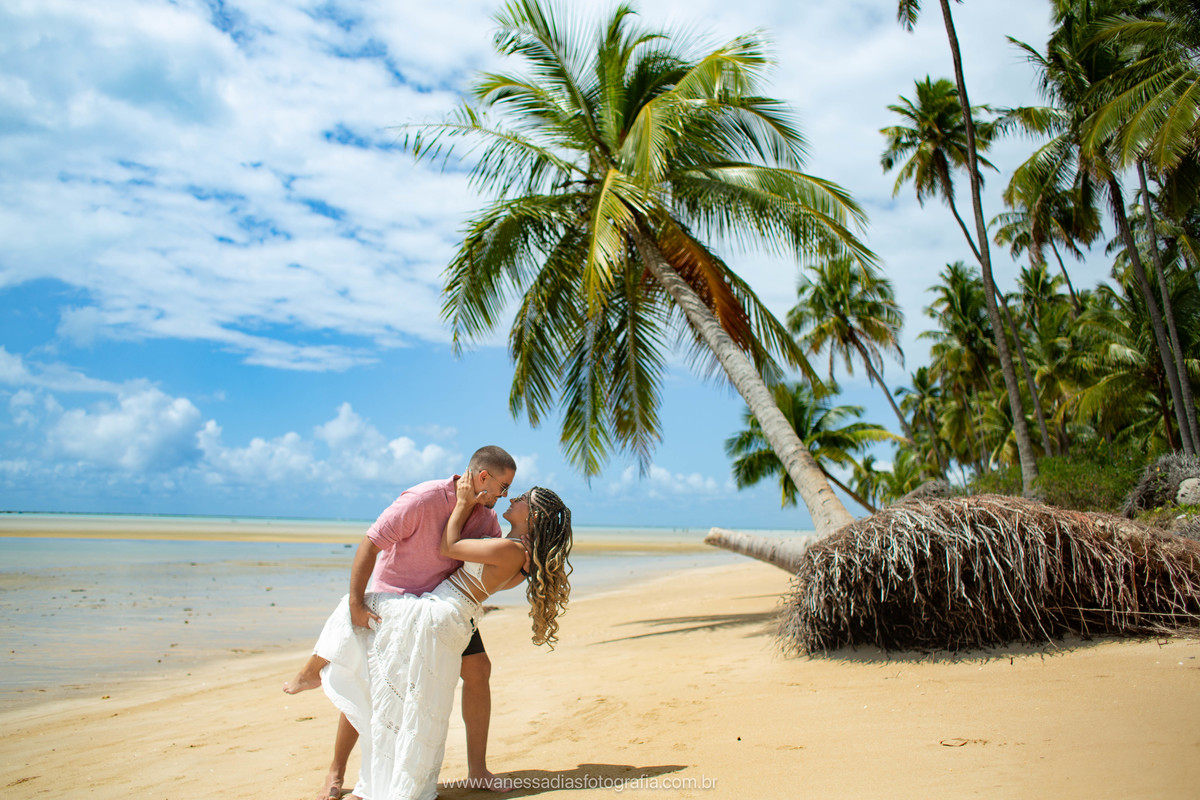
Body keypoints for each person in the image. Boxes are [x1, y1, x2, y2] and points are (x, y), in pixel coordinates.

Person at [287, 476, 574, 800]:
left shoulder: (505, 541)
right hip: (450, 611)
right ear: (483, 477)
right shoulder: (522, 556)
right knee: (398, 677)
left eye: (519, 496)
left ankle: (316, 670)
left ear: (532, 517)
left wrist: (464, 504)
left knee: (370, 632)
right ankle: (342, 767)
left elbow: (449, 548)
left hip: (438, 612)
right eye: (506, 487)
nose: (509, 496)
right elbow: (485, 583)